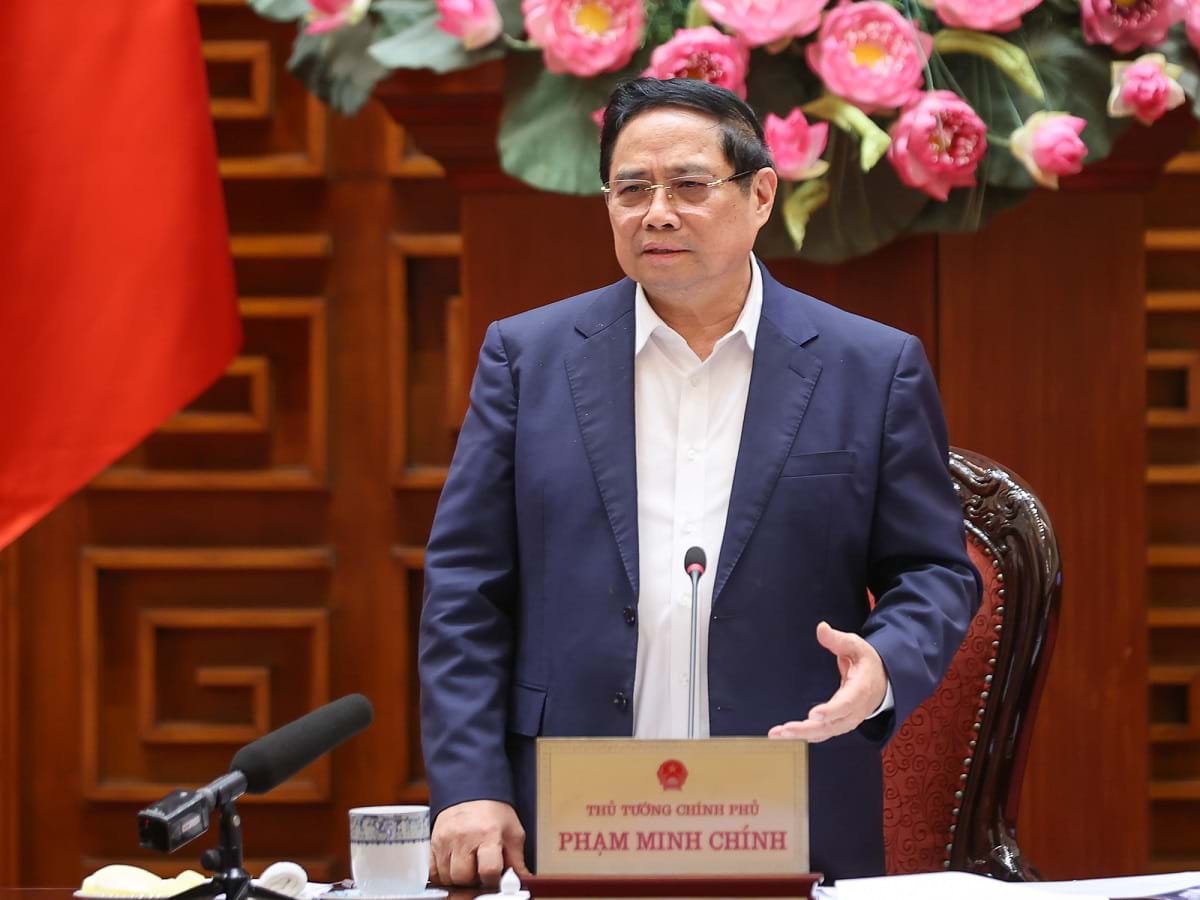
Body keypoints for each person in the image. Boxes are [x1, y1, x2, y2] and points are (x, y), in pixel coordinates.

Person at [418, 77, 981, 887]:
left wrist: (884, 663)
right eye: (631, 190)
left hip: (786, 801)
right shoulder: (528, 359)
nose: (656, 213)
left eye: (688, 185)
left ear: (761, 195)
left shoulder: (871, 367)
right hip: (571, 809)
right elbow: (465, 588)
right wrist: (470, 783)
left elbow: (933, 571)